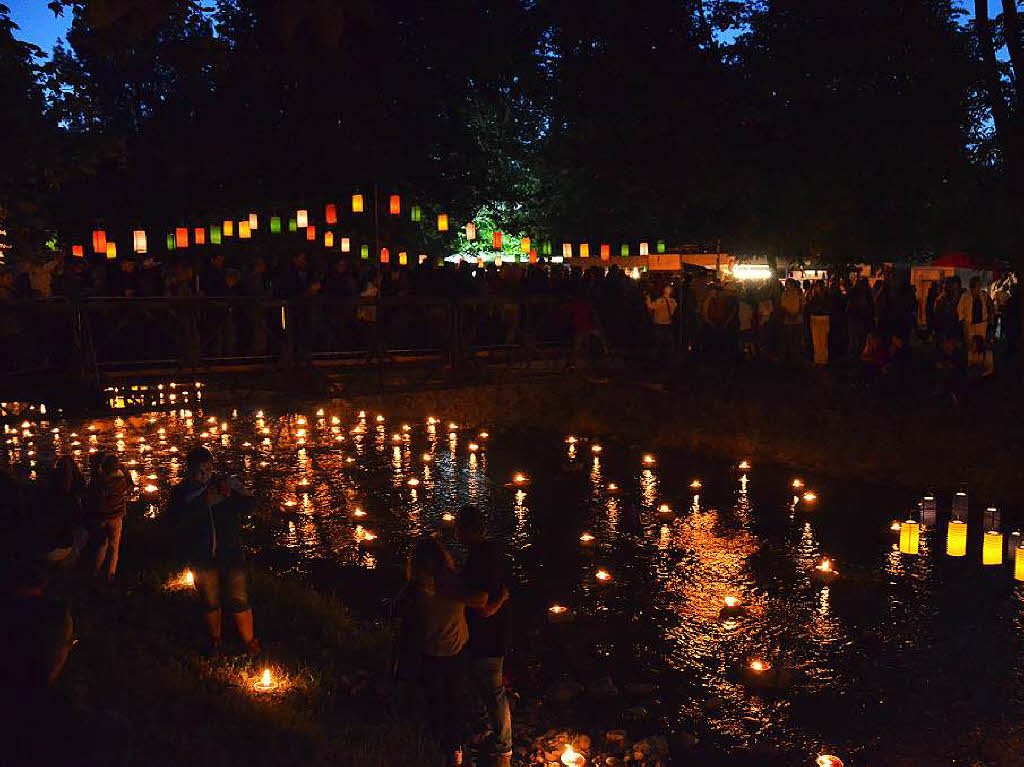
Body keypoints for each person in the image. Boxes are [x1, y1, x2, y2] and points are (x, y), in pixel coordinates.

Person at [395, 536, 507, 766]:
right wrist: (501, 596)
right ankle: (455, 751)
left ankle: (437, 746)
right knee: (454, 701)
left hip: (429, 653)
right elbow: (481, 601)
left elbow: (395, 610)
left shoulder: (414, 589)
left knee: (436, 701)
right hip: (455, 652)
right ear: (441, 557)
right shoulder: (451, 584)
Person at [167, 446, 260, 656]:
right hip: (202, 556)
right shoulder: (181, 494)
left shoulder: (223, 486)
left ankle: (249, 641)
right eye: (200, 471)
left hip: (231, 553)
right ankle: (215, 640)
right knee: (210, 600)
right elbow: (175, 523)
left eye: (208, 469)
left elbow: (249, 506)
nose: (205, 475)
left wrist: (237, 494)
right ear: (189, 470)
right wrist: (202, 504)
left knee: (239, 597)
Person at [455, 506, 513, 767]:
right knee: (486, 687)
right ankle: (491, 735)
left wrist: (496, 601)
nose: (456, 533)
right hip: (489, 633)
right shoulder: (490, 552)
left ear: (467, 529)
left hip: (487, 635)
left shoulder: (479, 558)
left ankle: (503, 748)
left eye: (458, 528)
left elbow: (485, 608)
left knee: (494, 690)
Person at [87, 453, 133, 581]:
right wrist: (125, 470)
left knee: (101, 546)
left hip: (101, 518)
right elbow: (130, 484)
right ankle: (110, 574)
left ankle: (95, 572)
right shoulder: (121, 481)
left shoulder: (100, 482)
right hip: (116, 519)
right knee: (114, 548)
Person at [645, 281, 677, 361]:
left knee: (657, 344)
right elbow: (673, 311)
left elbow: (650, 306)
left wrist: (647, 298)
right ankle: (667, 360)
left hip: (658, 324)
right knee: (667, 344)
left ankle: (657, 361)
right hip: (668, 324)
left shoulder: (660, 301)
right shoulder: (673, 302)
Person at [957, 276, 993, 345]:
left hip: (982, 324)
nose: (979, 287)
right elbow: (960, 309)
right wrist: (963, 321)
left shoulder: (983, 295)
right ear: (973, 286)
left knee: (981, 344)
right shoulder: (965, 296)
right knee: (970, 344)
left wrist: (989, 318)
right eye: (978, 285)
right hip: (970, 324)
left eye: (980, 285)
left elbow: (990, 305)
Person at [779, 278, 805, 363]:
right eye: (787, 284)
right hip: (789, 320)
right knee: (789, 339)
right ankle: (791, 357)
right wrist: (790, 315)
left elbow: (802, 305)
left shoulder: (799, 293)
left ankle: (796, 357)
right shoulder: (784, 294)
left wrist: (797, 314)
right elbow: (783, 307)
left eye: (789, 284)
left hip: (797, 320)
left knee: (796, 340)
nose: (787, 286)